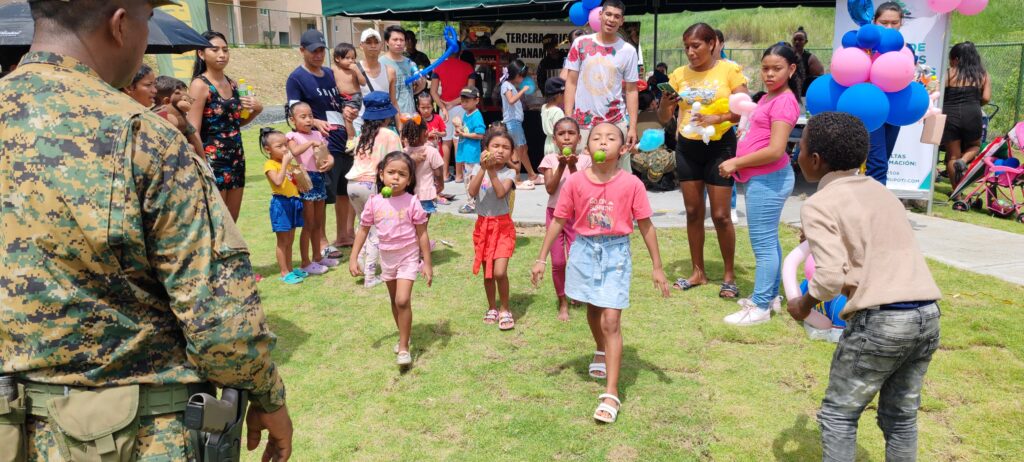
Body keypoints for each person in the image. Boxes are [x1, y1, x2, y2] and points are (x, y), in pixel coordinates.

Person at [0, 1, 292, 460]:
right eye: (146, 20)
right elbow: (220, 319)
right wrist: (268, 396)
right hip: (137, 436)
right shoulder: (141, 136)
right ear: (120, 25)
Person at [787, 112, 942, 461]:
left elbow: (829, 279)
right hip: (927, 316)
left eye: (800, 147)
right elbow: (870, 247)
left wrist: (804, 304)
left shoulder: (819, 204)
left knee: (839, 416)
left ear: (815, 160)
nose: (796, 153)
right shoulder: (882, 192)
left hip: (881, 323)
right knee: (900, 417)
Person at [531, 122, 671, 424]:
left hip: (616, 253)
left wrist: (657, 267)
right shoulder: (575, 182)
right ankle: (599, 349)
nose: (603, 142)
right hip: (583, 251)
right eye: (596, 138)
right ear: (586, 147)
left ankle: (611, 392)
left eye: (610, 138)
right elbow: (558, 220)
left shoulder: (632, 185)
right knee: (593, 311)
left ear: (622, 150)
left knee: (611, 319)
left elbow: (646, 225)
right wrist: (541, 258)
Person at [659, 22, 747, 299]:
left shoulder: (728, 71)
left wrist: (718, 118)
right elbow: (664, 118)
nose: (690, 52)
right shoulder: (678, 75)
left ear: (711, 44)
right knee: (694, 212)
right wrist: (667, 103)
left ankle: (729, 275)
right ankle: (698, 271)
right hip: (688, 146)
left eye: (695, 45)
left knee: (721, 216)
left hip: (720, 145)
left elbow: (745, 110)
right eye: (686, 47)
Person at [717, 44, 801, 325]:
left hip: (769, 179)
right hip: (762, 178)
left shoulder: (785, 101)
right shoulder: (768, 97)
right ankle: (771, 296)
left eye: (776, 68)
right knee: (769, 241)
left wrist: (737, 163)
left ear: (791, 69)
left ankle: (761, 305)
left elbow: (777, 149)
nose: (769, 74)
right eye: (765, 68)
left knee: (763, 244)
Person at [349, 151, 433, 367]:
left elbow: (422, 233)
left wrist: (428, 263)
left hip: (408, 255)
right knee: (395, 301)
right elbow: (363, 229)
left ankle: (404, 348)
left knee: (402, 300)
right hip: (387, 257)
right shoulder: (375, 201)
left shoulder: (412, 202)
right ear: (381, 174)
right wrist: (353, 257)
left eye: (402, 174)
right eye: (391, 172)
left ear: (410, 179)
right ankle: (404, 335)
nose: (396, 177)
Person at [285, 29, 354, 260]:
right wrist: (314, 121)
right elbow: (293, 110)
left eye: (322, 49)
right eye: (313, 50)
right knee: (323, 194)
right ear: (302, 50)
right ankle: (322, 242)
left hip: (342, 136)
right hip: (320, 143)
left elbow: (337, 99)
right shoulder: (296, 78)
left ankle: (344, 235)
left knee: (345, 189)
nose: (318, 54)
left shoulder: (328, 72)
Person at [187, 30, 262, 222]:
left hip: (236, 156)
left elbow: (236, 123)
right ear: (201, 54)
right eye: (215, 50)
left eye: (225, 50)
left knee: (232, 221)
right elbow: (192, 128)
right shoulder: (199, 85)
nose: (222, 54)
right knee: (218, 221)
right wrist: (204, 162)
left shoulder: (233, 84)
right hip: (212, 159)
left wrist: (256, 110)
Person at [563, 0, 640, 172]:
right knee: (581, 176)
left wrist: (632, 127)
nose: (612, 19)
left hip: (615, 122)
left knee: (618, 177)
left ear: (622, 21)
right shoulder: (580, 44)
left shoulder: (628, 51)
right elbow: (571, 82)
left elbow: (631, 90)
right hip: (582, 124)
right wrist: (568, 119)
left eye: (617, 16)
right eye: (608, 14)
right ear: (600, 15)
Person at [538, 117, 592, 321]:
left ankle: (576, 293)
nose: (567, 138)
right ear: (554, 139)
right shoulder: (550, 160)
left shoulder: (586, 161)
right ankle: (562, 301)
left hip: (576, 217)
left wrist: (573, 167)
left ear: (579, 138)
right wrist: (561, 166)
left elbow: (584, 190)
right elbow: (550, 188)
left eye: (571, 134)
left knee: (576, 259)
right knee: (558, 261)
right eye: (561, 134)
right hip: (555, 215)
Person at [348, 91, 403, 288]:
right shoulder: (389, 134)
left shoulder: (363, 135)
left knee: (362, 225)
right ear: (386, 115)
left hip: (353, 185)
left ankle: (361, 264)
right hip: (372, 185)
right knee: (376, 232)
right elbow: (399, 160)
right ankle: (370, 276)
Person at [468, 128, 519, 331]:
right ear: (486, 149)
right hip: (483, 227)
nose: (500, 151)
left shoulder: (510, 172)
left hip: (503, 226)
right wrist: (482, 168)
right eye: (495, 146)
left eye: (506, 147)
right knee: (487, 273)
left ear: (512, 152)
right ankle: (492, 307)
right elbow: (472, 192)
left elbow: (500, 193)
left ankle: (505, 308)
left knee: (499, 272)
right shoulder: (475, 169)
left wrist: (491, 171)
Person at [286, 102, 336, 276]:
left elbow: (327, 154)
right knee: (308, 223)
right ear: (293, 120)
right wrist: (310, 144)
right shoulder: (292, 136)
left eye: (310, 116)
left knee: (318, 222)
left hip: (320, 178)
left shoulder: (317, 134)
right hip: (305, 179)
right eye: (303, 117)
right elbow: (294, 152)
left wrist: (330, 161)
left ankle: (318, 257)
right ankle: (305, 261)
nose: (308, 120)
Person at [866, 2, 906, 185]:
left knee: (883, 161)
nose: (889, 27)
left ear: (901, 23)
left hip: (894, 110)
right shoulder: (864, 48)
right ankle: (875, 209)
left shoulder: (905, 51)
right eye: (884, 22)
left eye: (894, 22)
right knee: (877, 164)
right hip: (870, 109)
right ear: (874, 22)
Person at [330, 42, 365, 249]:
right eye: (347, 58)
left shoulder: (355, 69)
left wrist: (356, 70)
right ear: (337, 59)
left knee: (349, 121)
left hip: (354, 98)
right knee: (345, 123)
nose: (351, 61)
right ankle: (343, 233)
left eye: (353, 57)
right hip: (340, 100)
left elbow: (362, 83)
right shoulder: (332, 71)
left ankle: (350, 136)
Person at [261, 127, 307, 284]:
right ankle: (284, 272)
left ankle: (291, 269)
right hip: (281, 203)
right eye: (279, 146)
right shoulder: (270, 164)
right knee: (282, 240)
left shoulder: (287, 165)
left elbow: (293, 184)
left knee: (290, 239)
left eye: (285, 145)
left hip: (294, 201)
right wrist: (285, 164)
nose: (284, 149)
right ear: (268, 149)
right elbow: (278, 182)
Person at [942, 41, 991, 187]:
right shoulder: (983, 75)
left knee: (952, 155)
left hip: (950, 114)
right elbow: (987, 98)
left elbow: (940, 93)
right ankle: (963, 161)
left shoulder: (949, 73)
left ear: (956, 59)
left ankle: (957, 194)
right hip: (972, 113)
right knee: (975, 146)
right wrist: (975, 104)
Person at [430, 45, 476, 181]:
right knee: (459, 140)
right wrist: (454, 103)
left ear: (446, 51)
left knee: (446, 141)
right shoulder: (468, 67)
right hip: (462, 106)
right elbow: (471, 90)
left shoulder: (438, 66)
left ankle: (444, 174)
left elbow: (433, 91)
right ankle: (459, 175)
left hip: (443, 106)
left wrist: (444, 107)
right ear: (460, 51)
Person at [401, 104, 446, 219]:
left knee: (410, 226)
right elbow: (438, 172)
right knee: (422, 229)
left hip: (407, 194)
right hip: (426, 195)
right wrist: (440, 185)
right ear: (426, 132)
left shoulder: (403, 152)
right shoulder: (431, 151)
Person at [500, 58, 540, 186]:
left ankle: (531, 174)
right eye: (522, 76)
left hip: (516, 122)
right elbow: (511, 100)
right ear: (516, 75)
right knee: (518, 150)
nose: (523, 79)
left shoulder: (510, 85)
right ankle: (516, 178)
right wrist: (523, 90)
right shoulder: (506, 85)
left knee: (523, 148)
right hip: (512, 122)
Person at [357, 28, 398, 132]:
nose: (373, 46)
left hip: (385, 126)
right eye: (368, 42)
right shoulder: (354, 70)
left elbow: (393, 102)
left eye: (376, 42)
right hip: (360, 125)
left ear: (381, 45)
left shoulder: (390, 71)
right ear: (361, 45)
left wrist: (400, 128)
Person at [381, 25, 427, 117]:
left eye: (402, 40)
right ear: (386, 42)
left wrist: (421, 84)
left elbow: (418, 87)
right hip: (390, 117)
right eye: (395, 39)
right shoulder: (381, 63)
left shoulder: (410, 63)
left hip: (410, 114)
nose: (399, 43)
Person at [454, 87, 487, 213]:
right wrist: (459, 132)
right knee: (469, 178)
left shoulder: (476, 115)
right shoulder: (466, 114)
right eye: (462, 100)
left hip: (472, 153)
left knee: (470, 179)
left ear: (476, 100)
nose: (464, 103)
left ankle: (471, 203)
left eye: (467, 100)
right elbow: (465, 130)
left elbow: (480, 134)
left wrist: (464, 135)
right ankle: (474, 202)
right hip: (466, 152)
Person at [153, 75, 205, 155]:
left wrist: (203, 160)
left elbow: (193, 137)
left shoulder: (181, 117)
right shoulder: (151, 116)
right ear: (166, 101)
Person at [792, 27, 825, 96]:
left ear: (806, 42)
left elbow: (820, 76)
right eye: (795, 39)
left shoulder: (811, 58)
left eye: (800, 40)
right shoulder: (786, 55)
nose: (797, 42)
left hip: (804, 94)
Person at [541, 77, 567, 158]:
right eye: (564, 94)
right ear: (559, 95)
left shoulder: (544, 107)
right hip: (557, 145)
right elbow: (561, 132)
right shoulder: (557, 111)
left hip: (547, 144)